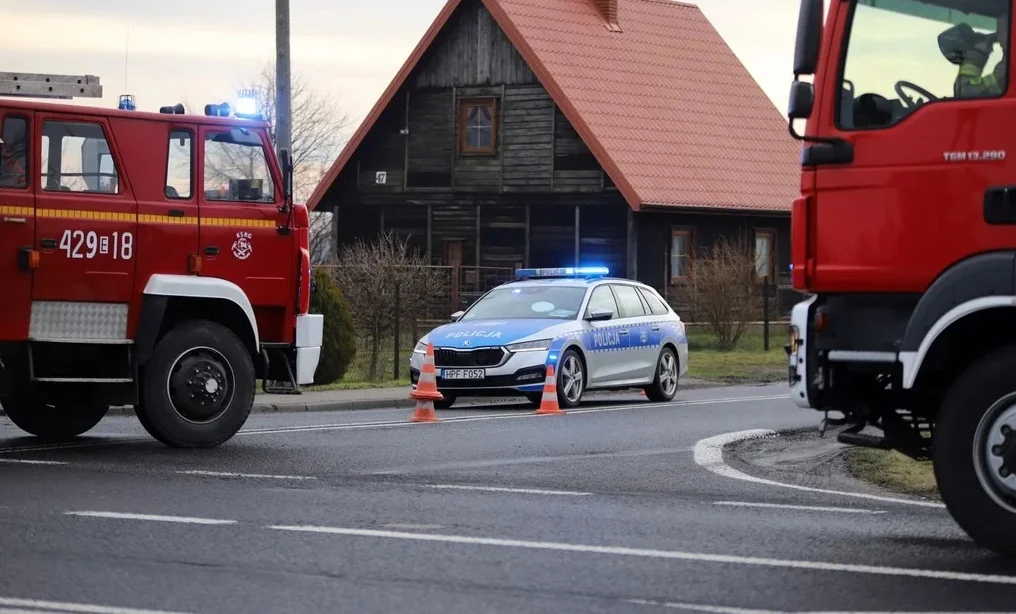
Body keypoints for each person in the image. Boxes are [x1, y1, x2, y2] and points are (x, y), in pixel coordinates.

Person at [939, 21, 1008, 97]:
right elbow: (1000, 78)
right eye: (975, 39)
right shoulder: (966, 88)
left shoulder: (962, 85)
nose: (991, 49)